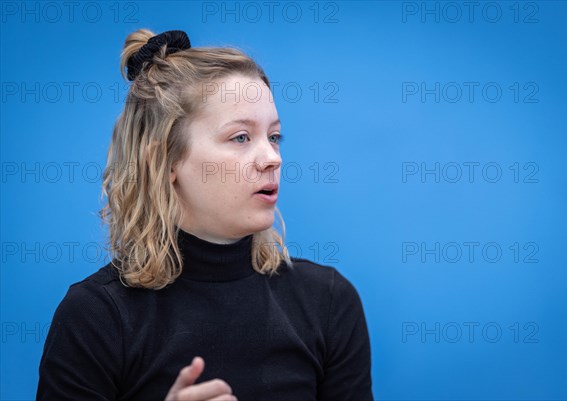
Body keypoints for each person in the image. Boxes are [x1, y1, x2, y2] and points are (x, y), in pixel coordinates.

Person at [36, 29, 374, 401]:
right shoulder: (96, 316)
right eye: (241, 137)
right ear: (165, 161)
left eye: (274, 137)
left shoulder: (328, 301)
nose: (272, 158)